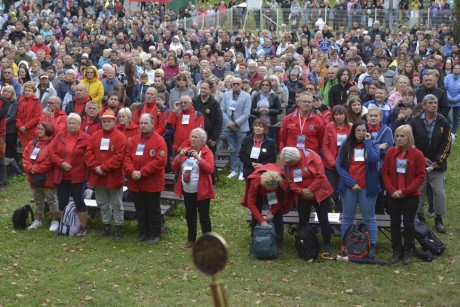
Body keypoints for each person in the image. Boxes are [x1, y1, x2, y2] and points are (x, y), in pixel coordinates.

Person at [336, 120, 381, 259]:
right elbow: (339, 165)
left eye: (363, 130)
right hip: (350, 187)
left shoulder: (372, 144)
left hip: (367, 187)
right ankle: (345, 244)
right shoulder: (346, 145)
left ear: (367, 131)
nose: (361, 133)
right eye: (358, 130)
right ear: (353, 131)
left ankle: (372, 245)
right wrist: (351, 182)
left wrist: (368, 143)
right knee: (348, 217)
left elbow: (374, 159)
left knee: (369, 217)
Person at [382, 125, 426, 265]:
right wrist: (392, 190)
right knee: (394, 223)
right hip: (393, 194)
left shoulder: (417, 154)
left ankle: (408, 249)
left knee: (408, 223)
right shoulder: (390, 152)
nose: (399, 139)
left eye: (403, 136)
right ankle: (396, 249)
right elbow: (385, 173)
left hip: (410, 195)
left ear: (409, 137)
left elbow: (420, 176)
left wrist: (404, 191)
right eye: (397, 136)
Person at [280, 147, 334, 255]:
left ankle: (327, 244)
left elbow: (320, 175)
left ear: (297, 158)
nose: (289, 165)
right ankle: (303, 242)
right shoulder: (287, 163)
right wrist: (300, 191)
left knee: (323, 219)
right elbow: (288, 180)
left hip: (320, 193)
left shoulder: (313, 156)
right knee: (303, 220)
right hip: (303, 195)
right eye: (287, 163)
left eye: (291, 163)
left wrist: (311, 189)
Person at [124, 113, 168, 244]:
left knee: (153, 209)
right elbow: (127, 158)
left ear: (152, 124)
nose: (142, 126)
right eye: (141, 123)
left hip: (151, 182)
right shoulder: (134, 140)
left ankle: (155, 233)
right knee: (140, 209)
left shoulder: (159, 140)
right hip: (135, 182)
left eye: (145, 123)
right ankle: (142, 232)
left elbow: (160, 161)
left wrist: (142, 172)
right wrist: (131, 171)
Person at [410, 94, 451, 233]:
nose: (434, 105)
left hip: (437, 165)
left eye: (436, 103)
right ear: (424, 105)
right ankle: (419, 217)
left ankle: (438, 218)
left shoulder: (442, 121)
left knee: (439, 192)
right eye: (431, 103)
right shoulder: (414, 121)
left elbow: (447, 142)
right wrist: (420, 157)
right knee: (419, 191)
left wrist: (439, 160)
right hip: (419, 164)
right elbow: (410, 142)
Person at [86, 110, 127, 240]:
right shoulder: (95, 136)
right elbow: (88, 153)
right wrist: (95, 167)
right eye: (104, 121)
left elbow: (119, 157)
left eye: (109, 121)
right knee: (102, 203)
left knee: (117, 203)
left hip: (113, 176)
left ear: (114, 122)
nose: (106, 123)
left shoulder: (120, 137)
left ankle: (119, 227)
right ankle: (106, 226)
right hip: (98, 176)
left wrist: (103, 168)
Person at [172, 128, 215, 249]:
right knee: (190, 215)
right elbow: (174, 166)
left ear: (202, 140)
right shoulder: (187, 151)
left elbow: (210, 169)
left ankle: (208, 241)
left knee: (204, 216)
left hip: (202, 191)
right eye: (192, 137)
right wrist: (179, 157)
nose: (193, 139)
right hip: (188, 191)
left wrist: (199, 159)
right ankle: (191, 239)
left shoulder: (207, 152)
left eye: (196, 137)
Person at [49, 113, 90, 236]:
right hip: (62, 174)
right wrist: (61, 163)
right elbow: (51, 152)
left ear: (79, 124)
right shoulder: (59, 136)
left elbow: (89, 155)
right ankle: (63, 225)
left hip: (78, 174)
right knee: (62, 200)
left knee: (79, 200)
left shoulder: (86, 138)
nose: (71, 125)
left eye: (74, 123)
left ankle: (83, 227)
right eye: (69, 123)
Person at [241, 163, 294, 247]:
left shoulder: (279, 184)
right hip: (259, 192)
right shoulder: (255, 181)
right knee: (256, 213)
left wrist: (272, 212)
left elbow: (279, 201)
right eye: (269, 189)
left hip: (273, 193)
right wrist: (261, 220)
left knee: (277, 215)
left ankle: (278, 241)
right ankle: (255, 238)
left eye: (273, 189)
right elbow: (251, 203)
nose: (270, 191)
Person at [22, 121, 59, 231]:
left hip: (47, 178)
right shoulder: (33, 143)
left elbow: (50, 162)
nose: (38, 131)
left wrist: (35, 169)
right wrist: (29, 168)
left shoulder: (53, 144)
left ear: (48, 130)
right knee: (38, 200)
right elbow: (25, 157)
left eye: (41, 129)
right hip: (34, 178)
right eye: (38, 129)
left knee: (51, 200)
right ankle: (37, 220)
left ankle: (54, 221)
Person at [322, 105, 352, 213]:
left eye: (341, 114)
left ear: (345, 115)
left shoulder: (351, 127)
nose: (339, 117)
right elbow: (325, 147)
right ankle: (331, 215)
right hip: (331, 166)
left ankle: (343, 214)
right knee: (332, 191)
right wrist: (334, 163)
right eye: (336, 114)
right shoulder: (329, 127)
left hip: (346, 166)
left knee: (344, 191)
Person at [220, 77, 251, 180]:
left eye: (238, 84)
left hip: (241, 127)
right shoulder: (226, 95)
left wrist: (236, 123)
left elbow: (246, 113)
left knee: (241, 149)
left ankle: (242, 170)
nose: (236, 85)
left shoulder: (247, 96)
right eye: (234, 84)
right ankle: (233, 170)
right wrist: (229, 123)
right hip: (228, 126)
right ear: (231, 85)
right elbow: (222, 110)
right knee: (233, 149)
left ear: (242, 85)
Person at [16, 81, 42, 153]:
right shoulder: (20, 100)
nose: (27, 92)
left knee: (31, 151)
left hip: (31, 131)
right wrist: (20, 126)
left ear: (33, 92)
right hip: (21, 131)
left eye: (29, 91)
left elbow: (37, 118)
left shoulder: (37, 102)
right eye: (26, 90)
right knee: (25, 151)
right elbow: (17, 116)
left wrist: (26, 127)